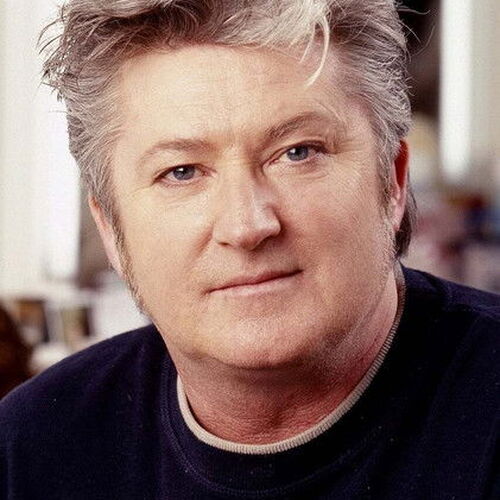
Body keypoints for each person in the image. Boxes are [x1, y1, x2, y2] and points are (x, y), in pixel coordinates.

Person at [1, 1, 498, 498]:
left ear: (391, 182)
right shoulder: (29, 449)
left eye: (297, 153)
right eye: (181, 172)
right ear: (110, 226)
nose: (247, 226)